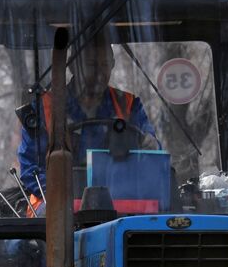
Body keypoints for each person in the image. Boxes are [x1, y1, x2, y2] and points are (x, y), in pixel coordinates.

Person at [16, 40, 158, 213]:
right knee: (32, 231)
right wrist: (60, 195)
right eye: (91, 65)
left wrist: (151, 144)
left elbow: (152, 152)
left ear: (113, 65)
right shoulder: (44, 107)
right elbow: (31, 167)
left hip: (121, 199)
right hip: (56, 201)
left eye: (105, 64)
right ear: (73, 66)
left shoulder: (128, 105)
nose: (100, 73)